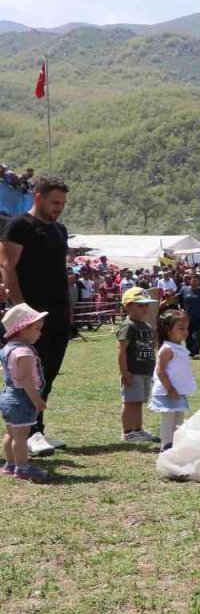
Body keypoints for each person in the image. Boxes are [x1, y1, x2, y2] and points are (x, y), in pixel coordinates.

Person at [0, 178, 71, 456]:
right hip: (30, 316)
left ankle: (35, 429)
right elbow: (7, 267)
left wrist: (68, 311)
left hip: (58, 312)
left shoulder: (59, 230)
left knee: (48, 373)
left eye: (63, 204)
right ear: (38, 197)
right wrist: (23, 312)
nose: (59, 208)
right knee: (27, 373)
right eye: (55, 202)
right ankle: (26, 433)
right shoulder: (18, 226)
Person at [0, 304, 50, 481]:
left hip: (8, 395)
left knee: (11, 433)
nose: (40, 333)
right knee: (21, 435)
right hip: (21, 397)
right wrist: (37, 400)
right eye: (37, 329)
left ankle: (10, 464)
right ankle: (22, 468)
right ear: (23, 329)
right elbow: (26, 379)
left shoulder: (7, 348)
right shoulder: (24, 352)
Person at [117, 287, 160, 443]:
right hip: (133, 371)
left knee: (139, 402)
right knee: (130, 402)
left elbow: (154, 344)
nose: (144, 308)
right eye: (140, 305)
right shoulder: (129, 325)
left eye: (146, 305)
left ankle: (138, 429)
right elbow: (121, 350)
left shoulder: (146, 326)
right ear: (127, 306)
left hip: (145, 371)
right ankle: (128, 432)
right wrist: (124, 372)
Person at [151, 310, 196, 451]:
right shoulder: (167, 349)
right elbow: (160, 370)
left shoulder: (179, 348)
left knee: (178, 420)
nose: (185, 332)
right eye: (180, 328)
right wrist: (169, 388)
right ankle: (166, 446)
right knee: (168, 420)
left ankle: (175, 445)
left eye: (186, 328)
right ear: (168, 330)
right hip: (167, 391)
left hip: (178, 391)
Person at [177, 274, 200, 358]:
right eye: (193, 280)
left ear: (199, 281)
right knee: (187, 334)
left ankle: (196, 352)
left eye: (196, 280)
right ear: (190, 280)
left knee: (197, 335)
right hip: (187, 317)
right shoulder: (184, 289)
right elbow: (177, 298)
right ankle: (189, 351)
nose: (194, 282)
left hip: (198, 317)